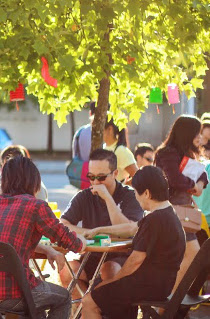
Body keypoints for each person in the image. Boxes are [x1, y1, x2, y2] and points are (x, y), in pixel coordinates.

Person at [0, 156, 86, 319]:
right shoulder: (35, 205)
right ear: (33, 181)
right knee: (63, 298)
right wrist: (82, 242)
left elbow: (9, 242)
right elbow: (67, 239)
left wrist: (47, 250)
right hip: (13, 292)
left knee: (36, 309)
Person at [81, 166, 186, 319]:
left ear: (147, 193)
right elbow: (131, 228)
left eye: (136, 193)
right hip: (161, 285)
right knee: (103, 293)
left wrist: (112, 281)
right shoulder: (168, 214)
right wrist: (99, 230)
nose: (136, 197)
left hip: (147, 285)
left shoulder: (154, 220)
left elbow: (134, 262)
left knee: (89, 300)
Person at [59, 149, 144, 294]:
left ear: (115, 174)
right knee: (66, 271)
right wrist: (91, 233)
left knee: (108, 270)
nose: (95, 182)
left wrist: (108, 199)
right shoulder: (84, 196)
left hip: (121, 257)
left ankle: (97, 310)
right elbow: (63, 224)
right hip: (90, 257)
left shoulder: (130, 195)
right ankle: (86, 312)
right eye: (91, 177)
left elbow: (128, 230)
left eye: (101, 177)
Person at [155, 114, 207, 292]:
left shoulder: (187, 153)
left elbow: (202, 175)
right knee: (192, 255)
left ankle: (171, 304)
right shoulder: (168, 153)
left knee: (183, 258)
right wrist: (193, 185)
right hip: (170, 213)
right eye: (197, 133)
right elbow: (175, 180)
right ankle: (169, 303)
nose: (200, 138)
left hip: (181, 214)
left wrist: (199, 184)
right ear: (187, 134)